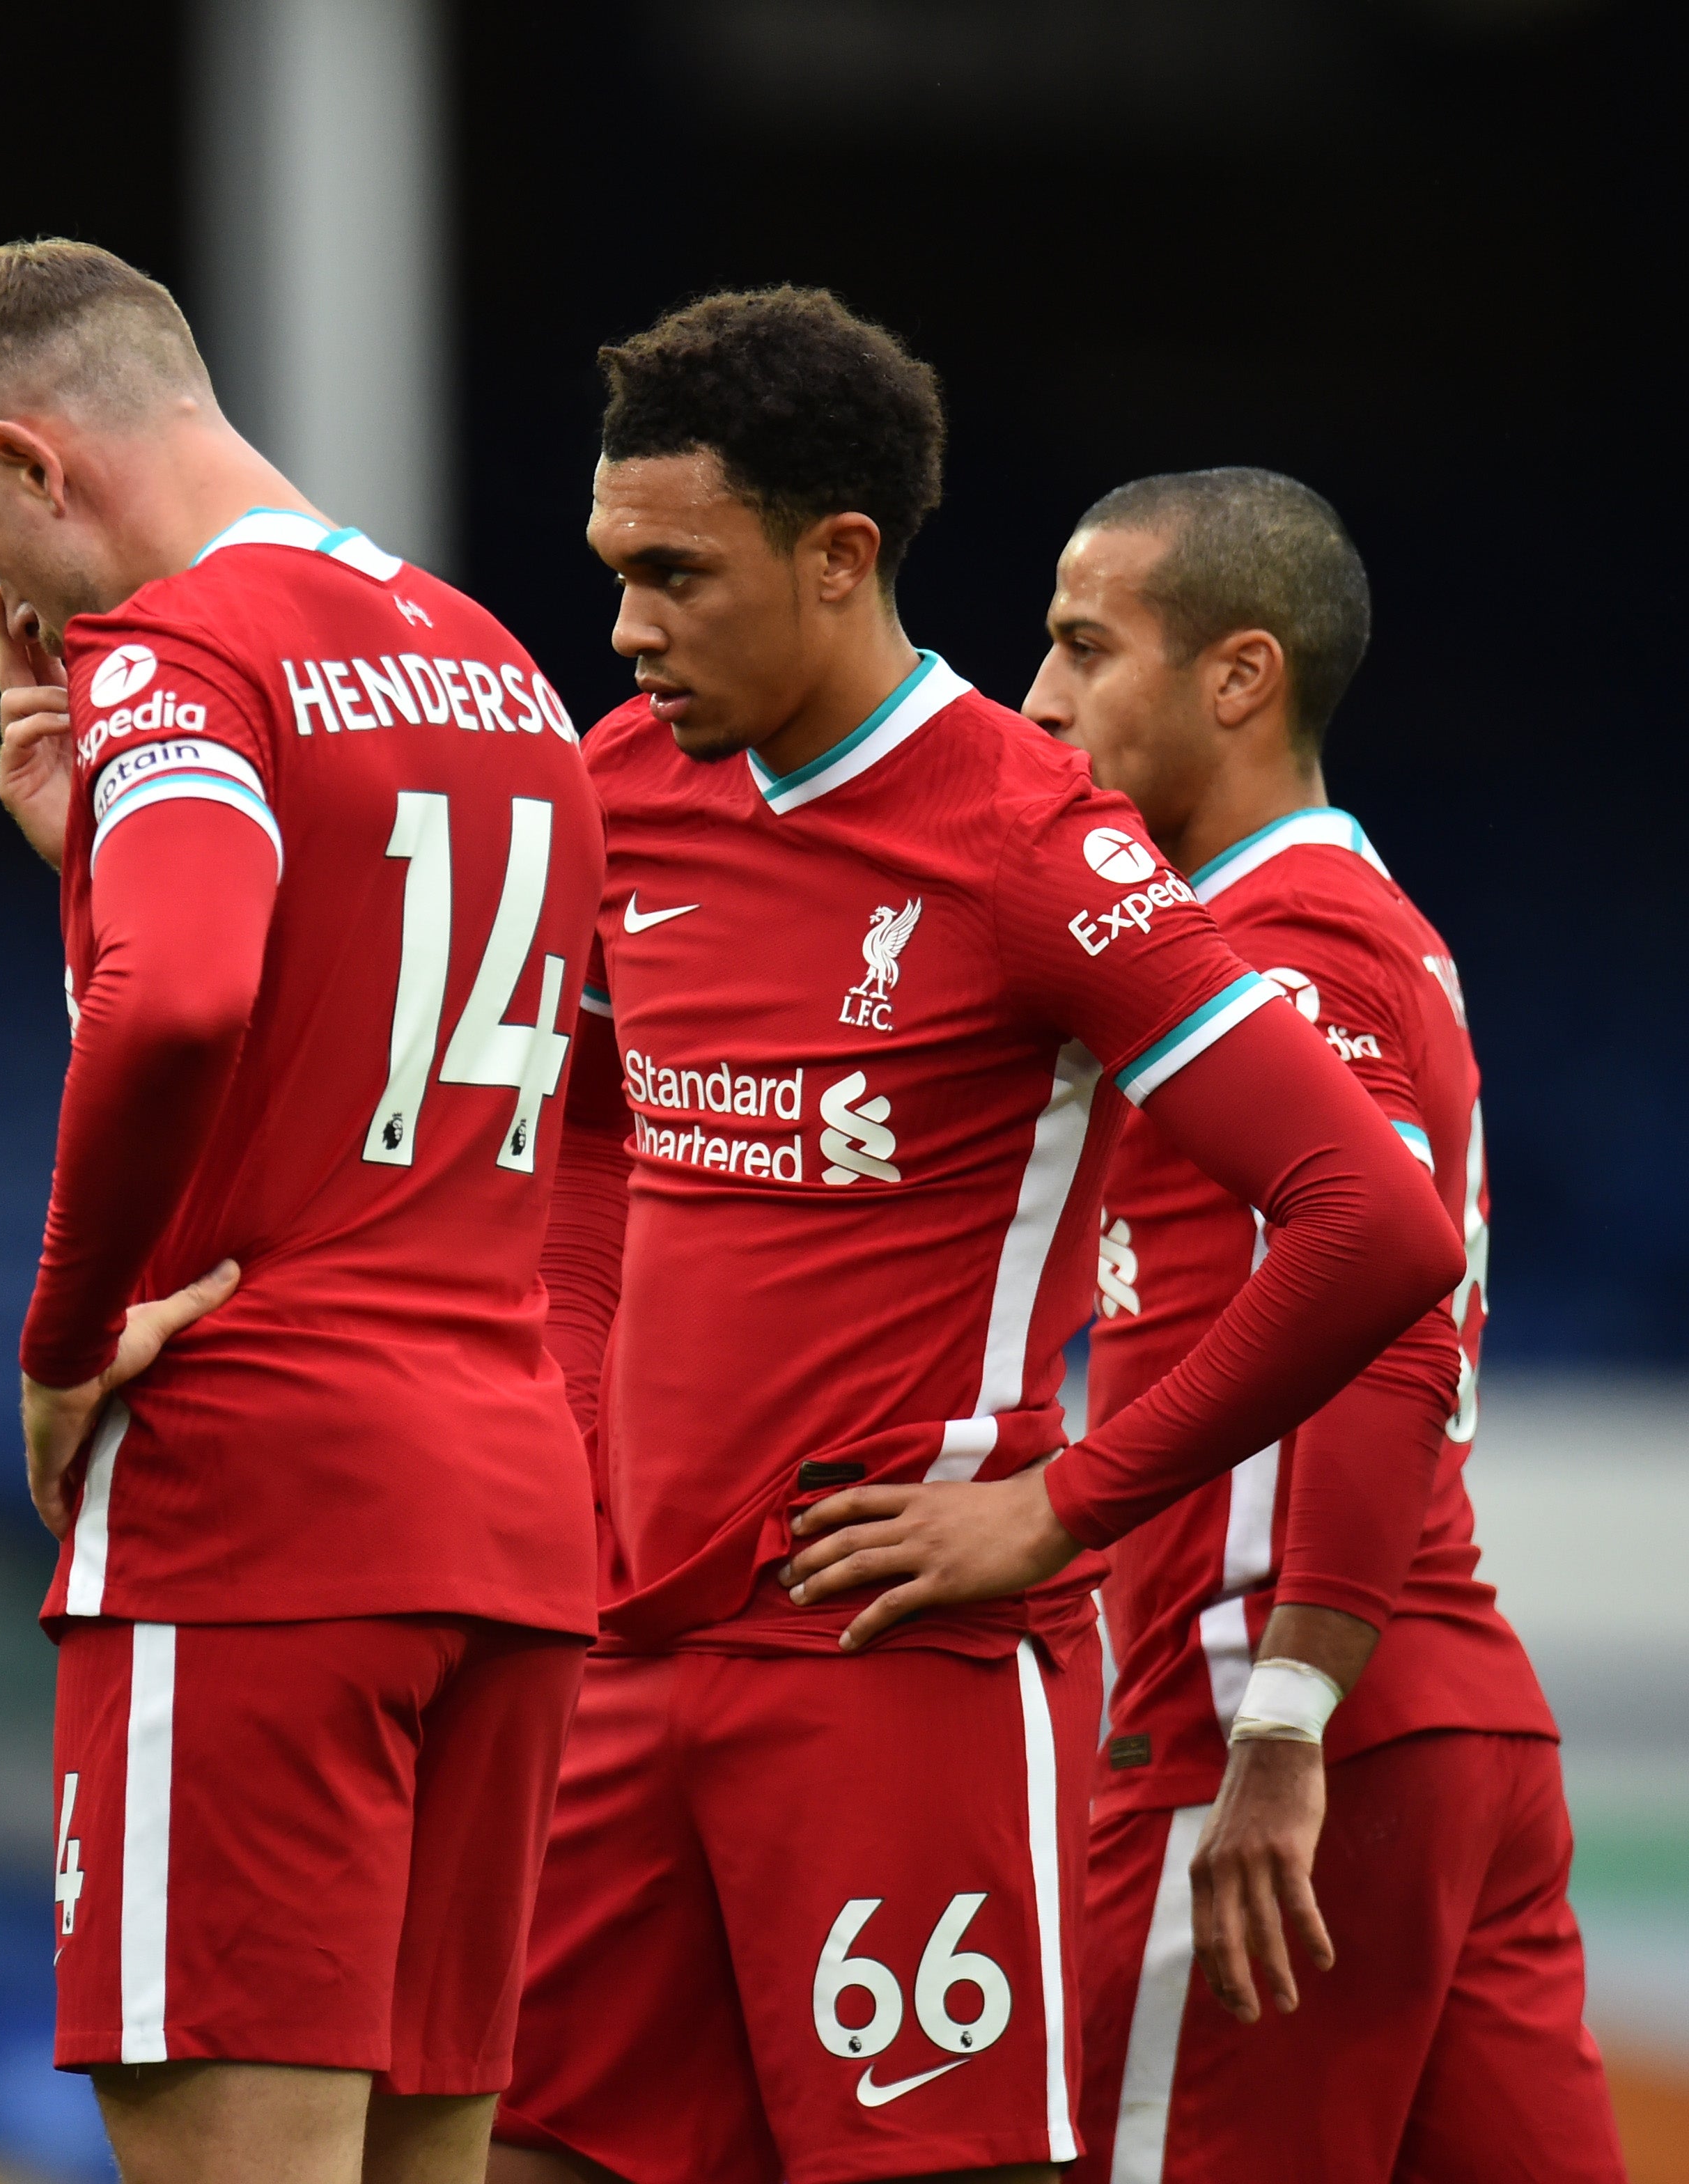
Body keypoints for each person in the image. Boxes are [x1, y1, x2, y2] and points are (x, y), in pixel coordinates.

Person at [487, 291, 1461, 2184]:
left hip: (890, 1657)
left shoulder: (1035, 843)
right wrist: (585, 1446)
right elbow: (593, 1145)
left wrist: (1064, 1502)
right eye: (614, 573)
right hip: (627, 1652)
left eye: (677, 575)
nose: (626, 628)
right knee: (522, 2158)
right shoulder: (619, 796)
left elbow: (1374, 1223)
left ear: (841, 554)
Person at [0, 239, 604, 2184]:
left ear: (38, 465)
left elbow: (185, 997)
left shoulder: (181, 657)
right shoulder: (502, 663)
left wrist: (61, 1342)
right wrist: (86, 855)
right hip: (508, 1522)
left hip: (265, 1512)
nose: (11, 607)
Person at [1017, 469, 1623, 2181]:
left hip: (1279, 1724)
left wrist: (1280, 1720)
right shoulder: (1359, 934)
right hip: (1446, 1721)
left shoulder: (1281, 953)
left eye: (1081, 643)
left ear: (1238, 676)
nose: (1038, 697)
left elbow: (1383, 1317)